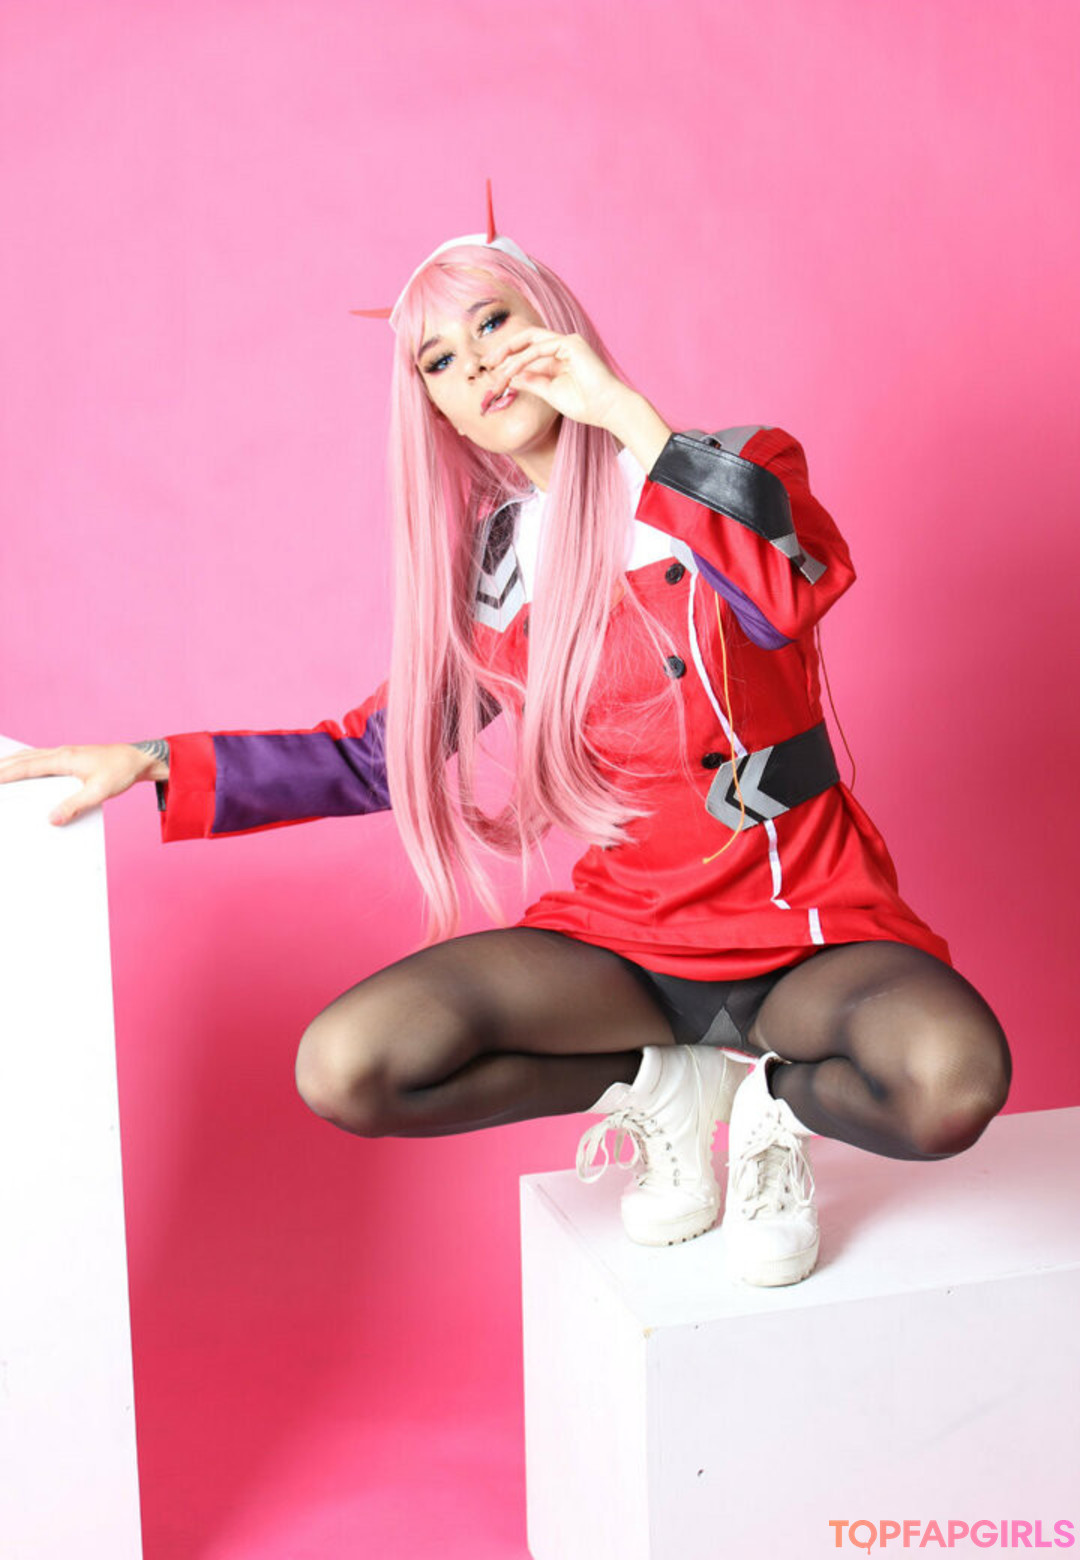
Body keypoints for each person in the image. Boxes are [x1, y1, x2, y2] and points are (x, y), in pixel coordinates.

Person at [0, 208, 1011, 1289]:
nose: (476, 363)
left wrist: (623, 414)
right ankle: (666, 1090)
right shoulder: (498, 566)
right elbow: (375, 752)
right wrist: (152, 759)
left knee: (950, 1081)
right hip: (627, 942)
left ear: (555, 323)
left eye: (492, 323)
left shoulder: (728, 465)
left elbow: (783, 601)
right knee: (349, 1064)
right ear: (433, 406)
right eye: (440, 359)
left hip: (804, 927)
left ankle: (770, 1109)